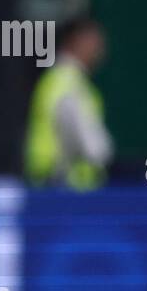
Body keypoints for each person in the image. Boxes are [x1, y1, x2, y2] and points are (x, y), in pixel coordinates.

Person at [25, 17, 111, 190]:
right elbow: (93, 147)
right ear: (77, 42)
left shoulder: (55, 80)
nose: (101, 50)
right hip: (67, 187)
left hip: (50, 184)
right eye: (95, 42)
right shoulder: (69, 84)